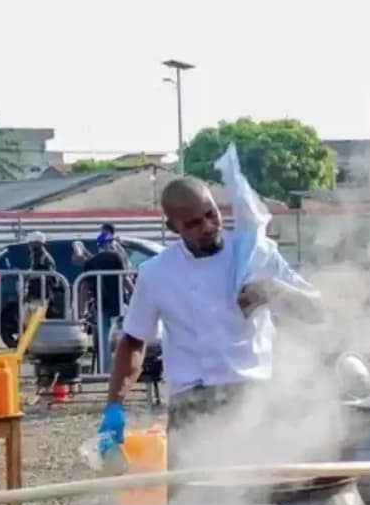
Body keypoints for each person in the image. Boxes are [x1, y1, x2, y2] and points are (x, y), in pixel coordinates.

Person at [95, 176, 324, 473]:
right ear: (173, 228)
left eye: (210, 214)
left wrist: (271, 290)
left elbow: (317, 310)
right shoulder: (156, 273)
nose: (207, 226)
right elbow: (134, 341)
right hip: (192, 404)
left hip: (254, 398)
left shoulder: (256, 253)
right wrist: (114, 406)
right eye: (192, 223)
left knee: (261, 504)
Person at [80, 230, 133, 374]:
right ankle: (125, 367)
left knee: (104, 339)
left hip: (101, 304)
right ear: (110, 243)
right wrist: (135, 295)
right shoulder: (116, 257)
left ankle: (106, 369)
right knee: (123, 337)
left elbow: (84, 286)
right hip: (118, 303)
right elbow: (126, 279)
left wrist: (81, 309)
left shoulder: (91, 262)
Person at [24, 231, 58, 316]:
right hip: (34, 295)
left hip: (41, 295)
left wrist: (33, 276)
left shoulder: (44, 257)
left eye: (31, 242)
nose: (29, 245)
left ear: (38, 243)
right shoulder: (33, 256)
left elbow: (51, 277)